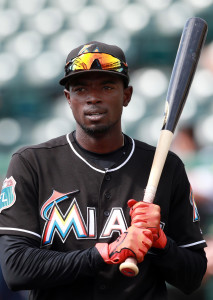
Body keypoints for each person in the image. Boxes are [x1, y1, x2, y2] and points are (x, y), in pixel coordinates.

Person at [0, 41, 207, 300]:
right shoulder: (32, 164)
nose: (92, 97)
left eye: (107, 87)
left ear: (127, 95)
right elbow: (16, 269)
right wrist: (104, 253)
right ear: (68, 99)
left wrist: (161, 243)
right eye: (80, 88)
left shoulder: (166, 166)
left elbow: (193, 276)